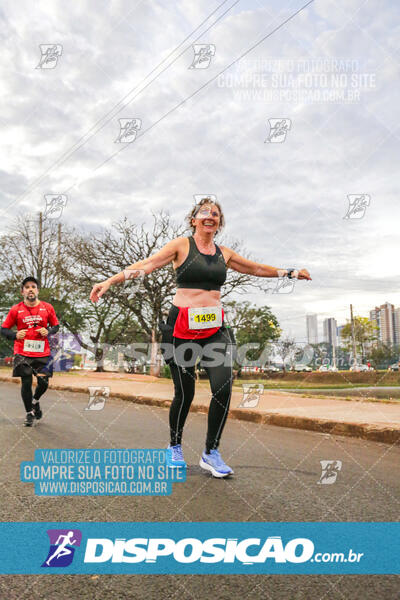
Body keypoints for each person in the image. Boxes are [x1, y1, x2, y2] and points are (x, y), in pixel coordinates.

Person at [89, 198, 311, 477]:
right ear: (193, 219)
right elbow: (146, 265)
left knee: (223, 388)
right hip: (181, 328)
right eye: (203, 212)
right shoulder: (181, 246)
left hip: (215, 330)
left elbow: (256, 269)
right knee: (185, 393)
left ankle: (211, 452)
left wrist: (289, 273)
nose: (210, 216)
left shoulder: (224, 253)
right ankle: (174, 447)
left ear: (219, 222)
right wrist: (110, 281)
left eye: (215, 213)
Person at [1, 277, 60, 426]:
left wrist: (48, 331)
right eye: (27, 287)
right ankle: (29, 413)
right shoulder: (16, 309)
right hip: (22, 352)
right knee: (26, 382)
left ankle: (35, 401)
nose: (30, 289)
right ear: (23, 292)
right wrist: (15, 335)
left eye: (33, 286)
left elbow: (56, 326)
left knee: (43, 382)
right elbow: (3, 329)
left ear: (38, 290)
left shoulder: (47, 308)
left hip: (42, 352)